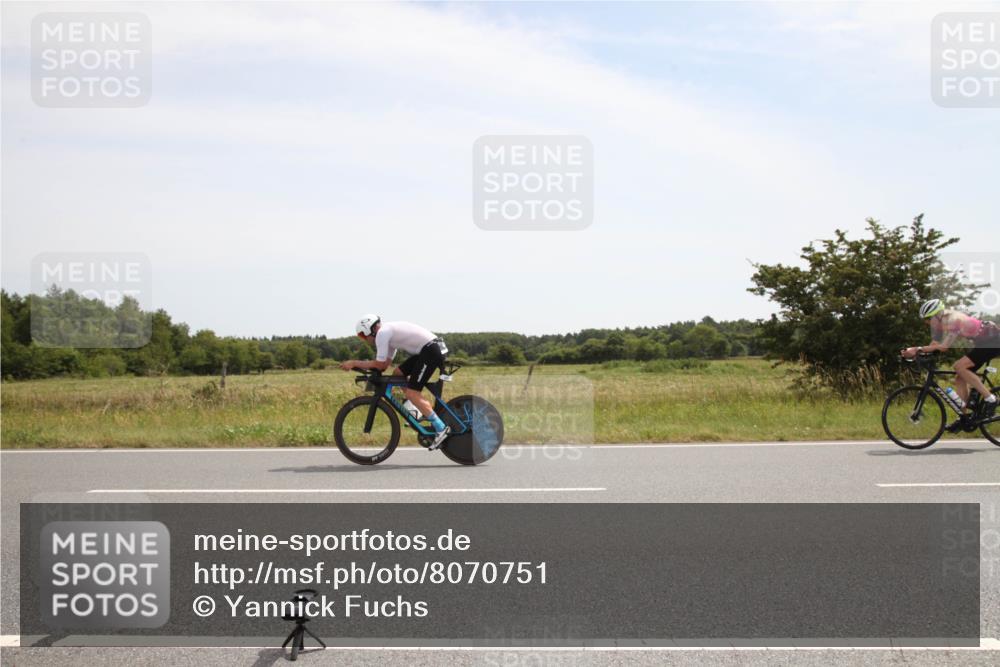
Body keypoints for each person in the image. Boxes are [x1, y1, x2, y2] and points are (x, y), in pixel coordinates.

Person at [340, 315, 451, 449]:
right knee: (398, 374)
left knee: (412, 393)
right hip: (430, 348)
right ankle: (417, 411)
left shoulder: (382, 334)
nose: (365, 340)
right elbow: (385, 364)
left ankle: (441, 428)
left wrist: (353, 363)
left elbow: (380, 365)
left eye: (363, 336)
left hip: (431, 350)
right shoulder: (388, 336)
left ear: (371, 329)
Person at [902, 299, 999, 425]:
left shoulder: (955, 320)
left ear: (938, 314)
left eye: (929, 318)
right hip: (982, 343)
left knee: (959, 366)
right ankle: (964, 418)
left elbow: (944, 347)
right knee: (959, 378)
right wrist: (917, 354)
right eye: (925, 320)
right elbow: (935, 344)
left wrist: (916, 349)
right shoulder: (940, 323)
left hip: (993, 342)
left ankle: (991, 399)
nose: (927, 322)